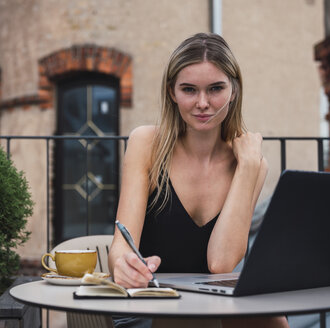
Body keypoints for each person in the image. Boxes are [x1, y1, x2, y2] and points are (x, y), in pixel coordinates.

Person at [108, 32, 289, 328]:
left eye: (215, 88)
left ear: (234, 91)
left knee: (269, 319)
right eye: (189, 90)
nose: (202, 103)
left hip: (211, 304)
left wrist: (246, 168)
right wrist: (123, 264)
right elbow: (121, 245)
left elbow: (220, 264)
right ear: (172, 92)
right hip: (149, 305)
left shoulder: (251, 164)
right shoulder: (146, 144)